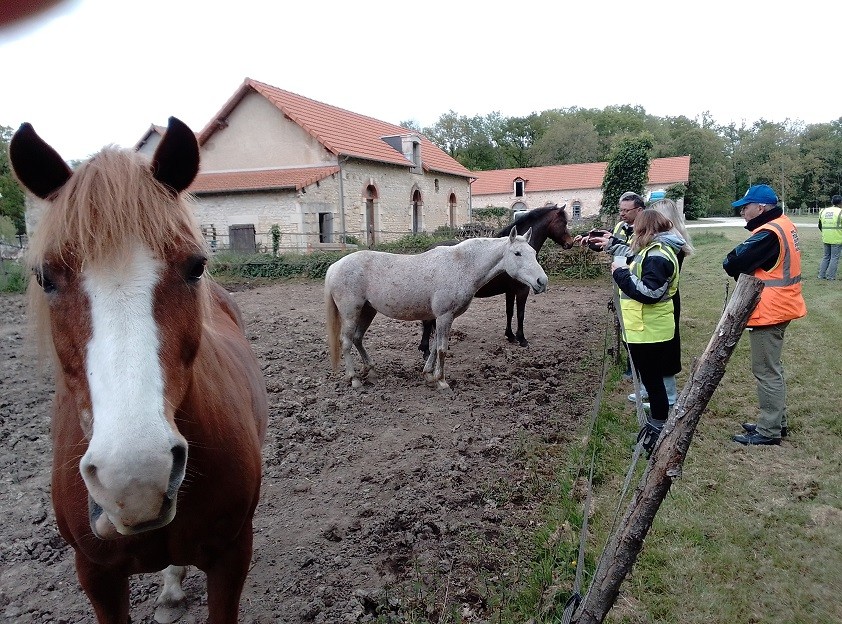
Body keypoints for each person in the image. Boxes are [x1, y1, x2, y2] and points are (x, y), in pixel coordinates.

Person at [723, 184, 807, 445]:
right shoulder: (783, 224)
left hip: (770, 309)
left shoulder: (769, 233)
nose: (742, 213)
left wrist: (733, 260)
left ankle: (768, 431)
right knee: (773, 368)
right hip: (783, 306)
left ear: (760, 208)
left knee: (766, 371)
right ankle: (776, 423)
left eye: (745, 207)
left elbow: (733, 262)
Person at [603, 210, 685, 455]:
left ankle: (658, 431)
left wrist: (620, 273)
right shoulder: (652, 251)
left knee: (653, 382)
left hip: (648, 331)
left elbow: (649, 293)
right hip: (644, 328)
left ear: (645, 229)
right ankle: (658, 425)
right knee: (653, 381)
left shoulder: (658, 256)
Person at [627, 198, 695, 407]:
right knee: (654, 350)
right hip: (663, 295)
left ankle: (668, 395)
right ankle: (652, 389)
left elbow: (652, 280)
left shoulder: (667, 246)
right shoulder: (666, 242)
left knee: (664, 349)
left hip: (663, 298)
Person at [817, 194, 842, 280]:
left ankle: (821, 275)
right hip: (837, 238)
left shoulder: (823, 211)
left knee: (826, 256)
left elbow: (819, 225)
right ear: (840, 203)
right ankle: (831, 277)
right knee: (834, 258)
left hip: (826, 237)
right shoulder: (840, 212)